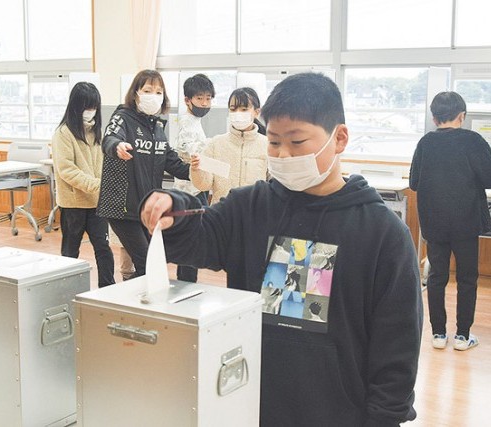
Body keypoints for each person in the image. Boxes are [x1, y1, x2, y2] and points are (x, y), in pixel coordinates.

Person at [141, 72, 422, 426]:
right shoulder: (249, 207)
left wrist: (384, 418)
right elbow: (198, 238)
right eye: (274, 142)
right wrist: (174, 210)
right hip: (250, 404)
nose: (283, 154)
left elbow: (397, 344)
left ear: (339, 138)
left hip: (339, 413)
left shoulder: (382, 233)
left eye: (297, 141)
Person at [410, 91, 491, 351]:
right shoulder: (473, 141)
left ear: (434, 118)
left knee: (437, 276)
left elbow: (414, 182)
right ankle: (462, 336)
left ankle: (438, 334)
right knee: (467, 278)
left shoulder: (425, 143)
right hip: (466, 222)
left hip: (434, 222)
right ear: (462, 116)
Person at [97, 69, 189, 278]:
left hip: (145, 207)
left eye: (158, 92)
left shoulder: (157, 128)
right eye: (148, 90)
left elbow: (173, 163)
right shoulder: (122, 117)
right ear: (136, 93)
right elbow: (109, 139)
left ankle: (138, 295)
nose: (153, 96)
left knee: (152, 262)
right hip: (121, 208)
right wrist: (117, 146)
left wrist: (198, 171)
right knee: (147, 261)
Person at [51, 81, 115, 288]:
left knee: (103, 248)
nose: (91, 111)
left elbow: (104, 164)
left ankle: (108, 288)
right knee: (70, 251)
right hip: (73, 204)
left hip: (97, 203)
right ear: (76, 106)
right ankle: (66, 289)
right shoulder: (63, 134)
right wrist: (97, 185)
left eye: (94, 107)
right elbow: (67, 170)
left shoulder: (97, 132)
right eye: (87, 107)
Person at [189, 87, 268, 204]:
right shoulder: (216, 144)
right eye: (233, 109)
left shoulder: (267, 145)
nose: (238, 113)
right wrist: (196, 170)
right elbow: (204, 185)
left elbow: (275, 185)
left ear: (257, 112)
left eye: (244, 109)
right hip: (221, 211)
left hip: (255, 212)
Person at [172, 73, 215, 282]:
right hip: (189, 191)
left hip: (195, 188)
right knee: (192, 240)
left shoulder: (195, 121)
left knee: (191, 240)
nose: (204, 103)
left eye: (208, 98)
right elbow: (194, 155)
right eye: (200, 98)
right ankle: (186, 283)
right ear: (187, 100)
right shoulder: (187, 123)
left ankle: (186, 282)